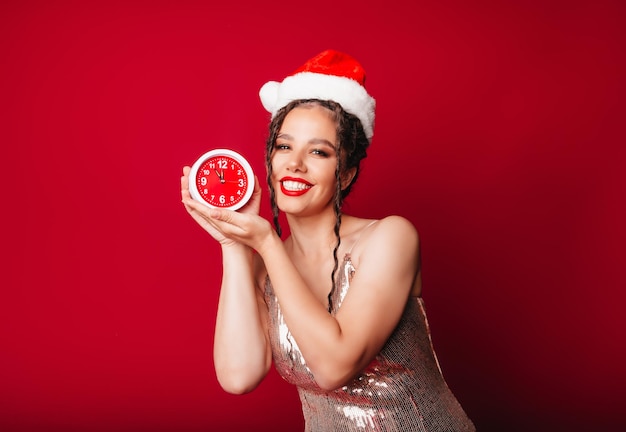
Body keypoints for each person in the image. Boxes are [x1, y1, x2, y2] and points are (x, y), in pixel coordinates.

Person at [181, 49, 475, 431]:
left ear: (347, 174)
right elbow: (239, 376)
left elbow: (335, 366)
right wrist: (233, 243)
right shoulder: (265, 265)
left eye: (318, 151)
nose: (295, 163)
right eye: (284, 146)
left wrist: (268, 243)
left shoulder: (390, 237)